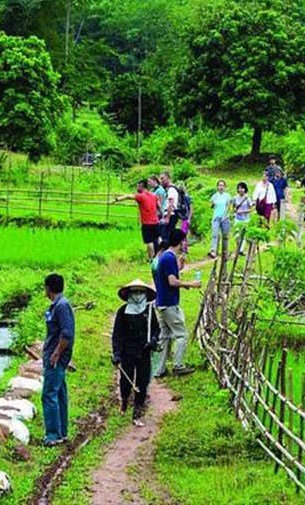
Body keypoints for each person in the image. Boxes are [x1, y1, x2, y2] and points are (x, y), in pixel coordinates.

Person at [111, 279, 160, 427]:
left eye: (141, 292)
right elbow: (117, 334)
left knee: (142, 382)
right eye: (135, 292)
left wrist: (153, 340)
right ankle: (125, 400)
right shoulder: (123, 312)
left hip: (144, 351)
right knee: (126, 381)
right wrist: (117, 353)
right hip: (127, 351)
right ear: (129, 294)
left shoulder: (149, 311)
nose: (138, 295)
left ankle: (138, 411)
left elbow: (156, 329)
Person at [153, 228, 200, 378]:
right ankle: (178, 365)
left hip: (162, 302)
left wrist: (180, 267)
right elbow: (172, 281)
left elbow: (170, 275)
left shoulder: (167, 257)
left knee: (165, 337)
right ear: (181, 242)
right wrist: (191, 284)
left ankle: (159, 369)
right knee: (181, 334)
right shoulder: (168, 258)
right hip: (169, 303)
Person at [42, 273, 75, 447]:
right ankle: (62, 432)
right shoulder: (57, 305)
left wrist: (56, 353)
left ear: (48, 288)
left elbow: (67, 333)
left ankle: (53, 435)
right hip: (57, 355)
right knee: (59, 392)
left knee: (49, 394)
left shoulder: (61, 306)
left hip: (56, 357)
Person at [113, 180, 160, 261]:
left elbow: (127, 196)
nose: (136, 188)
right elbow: (159, 206)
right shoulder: (154, 195)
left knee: (149, 242)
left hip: (147, 223)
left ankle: (151, 259)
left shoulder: (140, 196)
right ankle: (158, 256)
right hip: (156, 222)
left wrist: (116, 199)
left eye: (138, 186)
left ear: (142, 186)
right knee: (157, 239)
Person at [209, 180, 231, 258]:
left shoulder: (227, 196)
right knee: (215, 234)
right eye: (219, 185)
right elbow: (211, 205)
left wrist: (224, 215)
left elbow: (228, 206)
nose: (221, 187)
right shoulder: (215, 195)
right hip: (216, 217)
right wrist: (212, 204)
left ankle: (225, 251)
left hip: (225, 218)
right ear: (217, 187)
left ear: (225, 187)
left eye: (222, 185)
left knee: (225, 235)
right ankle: (213, 251)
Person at [231, 181, 252, 254]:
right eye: (239, 188)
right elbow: (233, 207)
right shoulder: (234, 198)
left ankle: (241, 250)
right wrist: (235, 211)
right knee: (237, 235)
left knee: (243, 235)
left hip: (246, 219)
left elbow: (251, 209)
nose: (240, 190)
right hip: (237, 219)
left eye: (242, 188)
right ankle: (238, 247)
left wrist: (243, 211)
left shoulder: (247, 198)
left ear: (245, 189)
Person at [159, 171, 179, 244]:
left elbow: (171, 203)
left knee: (166, 237)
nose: (161, 181)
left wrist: (167, 217)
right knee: (166, 236)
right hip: (171, 214)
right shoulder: (170, 189)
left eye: (162, 179)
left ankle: (165, 254)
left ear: (168, 179)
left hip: (171, 215)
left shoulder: (171, 190)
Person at [177, 182, 193, 255]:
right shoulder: (177, 198)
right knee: (180, 233)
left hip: (185, 218)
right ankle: (181, 248)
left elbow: (191, 209)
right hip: (179, 218)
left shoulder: (187, 197)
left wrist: (189, 219)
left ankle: (184, 249)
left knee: (183, 234)